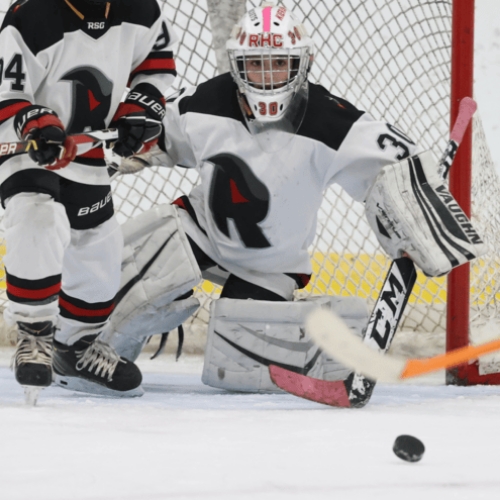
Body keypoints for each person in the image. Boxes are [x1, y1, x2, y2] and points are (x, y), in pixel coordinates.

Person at [105, 1, 485, 393]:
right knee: (130, 271)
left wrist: (421, 211)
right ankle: (92, 355)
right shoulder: (205, 102)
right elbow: (152, 131)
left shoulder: (332, 121)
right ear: (236, 66)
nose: (268, 75)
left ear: (303, 63)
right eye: (255, 63)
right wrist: (116, 150)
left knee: (238, 371)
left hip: (270, 265)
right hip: (200, 231)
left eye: (279, 63)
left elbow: (397, 161)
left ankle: (320, 332)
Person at [0, 0, 178, 400]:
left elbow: (156, 65)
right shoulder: (30, 16)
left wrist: (141, 105)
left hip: (85, 149)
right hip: (26, 146)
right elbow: (9, 93)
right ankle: (35, 334)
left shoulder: (142, 10)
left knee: (99, 244)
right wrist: (36, 122)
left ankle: (74, 347)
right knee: (36, 216)